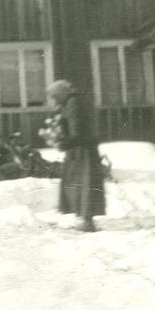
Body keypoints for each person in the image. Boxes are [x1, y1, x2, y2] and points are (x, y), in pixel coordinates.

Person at [46, 79, 106, 232]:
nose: (54, 99)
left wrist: (64, 142)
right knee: (78, 184)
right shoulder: (71, 102)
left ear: (61, 93)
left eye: (55, 96)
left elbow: (77, 131)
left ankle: (87, 222)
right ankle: (85, 220)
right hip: (80, 149)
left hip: (82, 152)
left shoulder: (73, 104)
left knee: (84, 184)